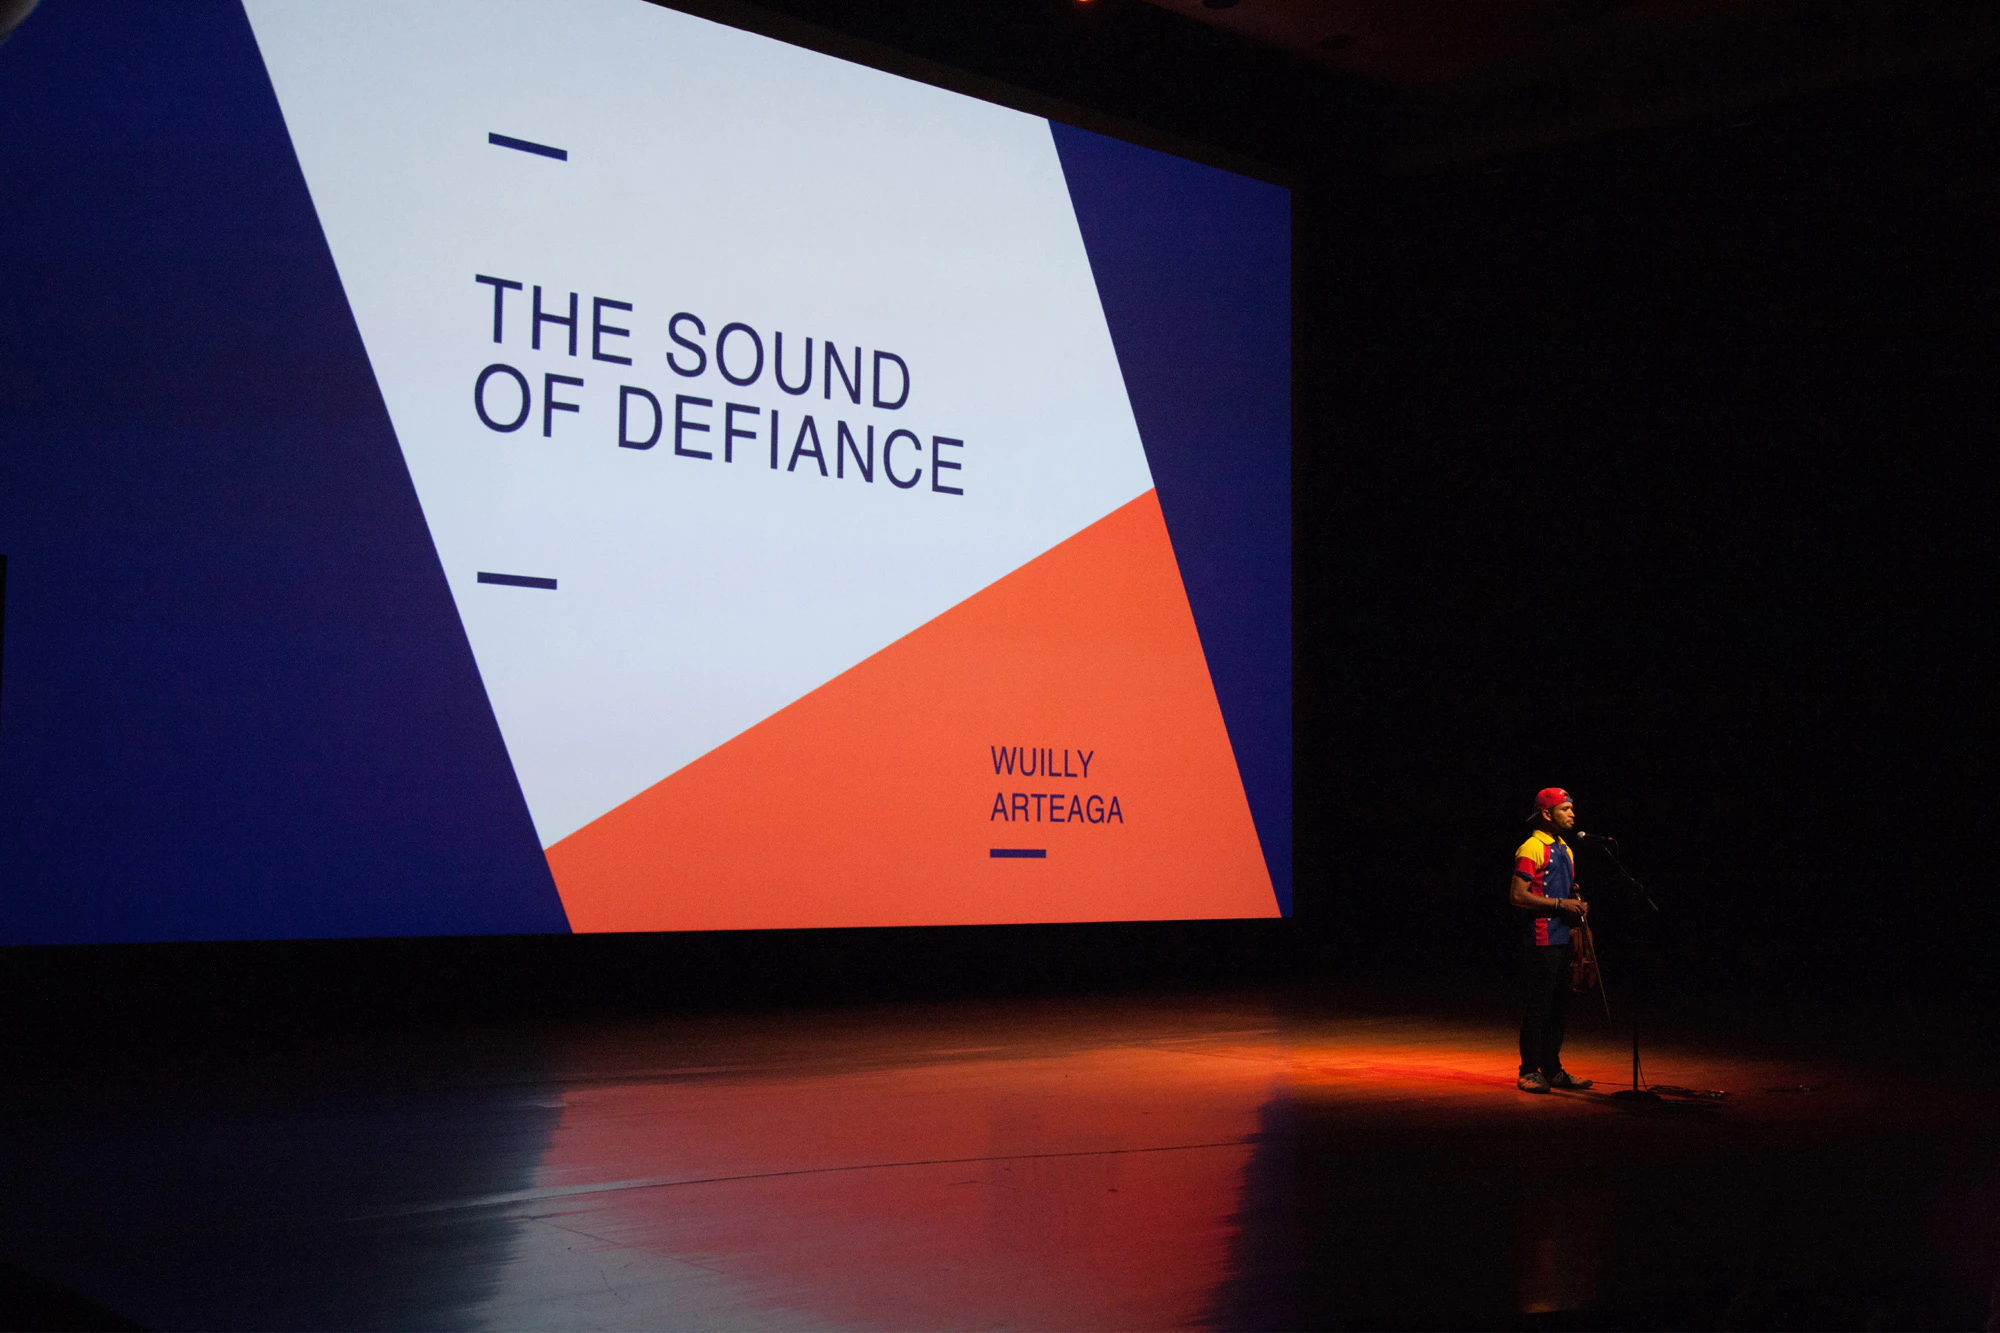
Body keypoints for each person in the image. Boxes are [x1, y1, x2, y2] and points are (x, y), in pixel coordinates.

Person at [1510, 788, 1593, 1093]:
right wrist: (1560, 905)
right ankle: (1529, 1070)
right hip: (1541, 937)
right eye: (1566, 808)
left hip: (1562, 937)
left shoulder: (1566, 849)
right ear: (1547, 813)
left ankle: (1553, 1069)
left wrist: (1577, 901)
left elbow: (1566, 889)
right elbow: (1518, 896)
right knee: (1539, 1006)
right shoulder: (1531, 847)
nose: (1572, 813)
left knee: (1559, 1006)